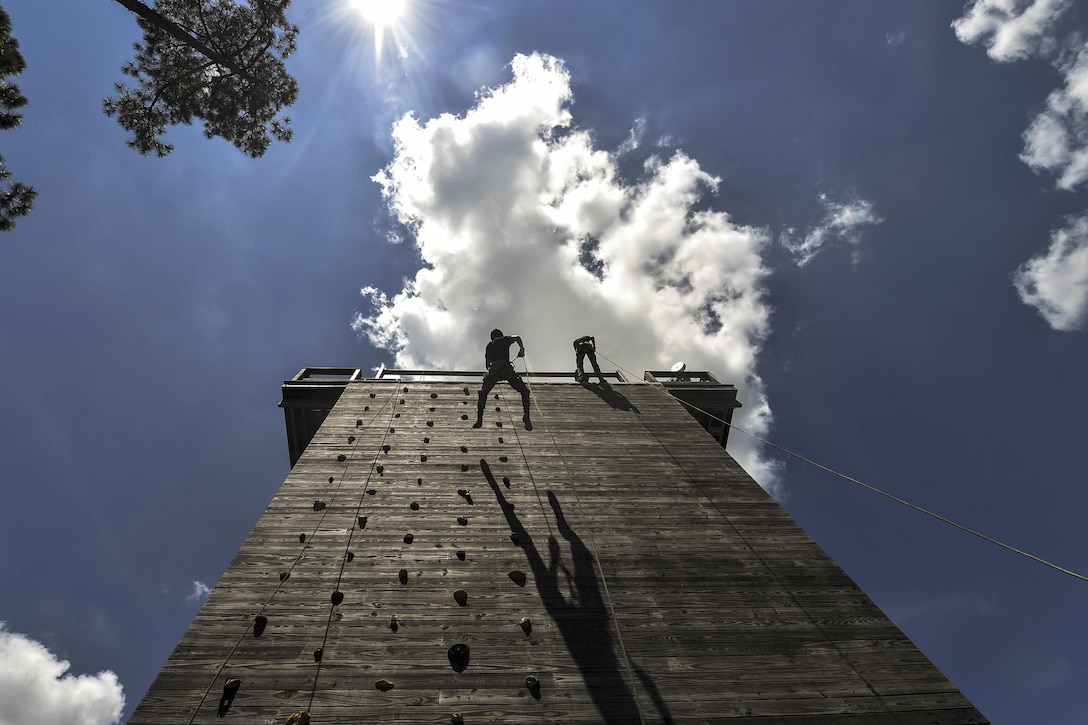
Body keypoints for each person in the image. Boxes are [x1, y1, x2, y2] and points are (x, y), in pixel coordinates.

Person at [474, 329, 532, 430]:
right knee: (524, 391)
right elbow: (517, 337)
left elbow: (487, 364)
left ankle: (479, 420)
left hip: (494, 371)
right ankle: (526, 415)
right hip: (507, 370)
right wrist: (522, 349)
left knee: (483, 393)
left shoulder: (489, 345)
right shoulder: (504, 339)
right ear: (501, 335)